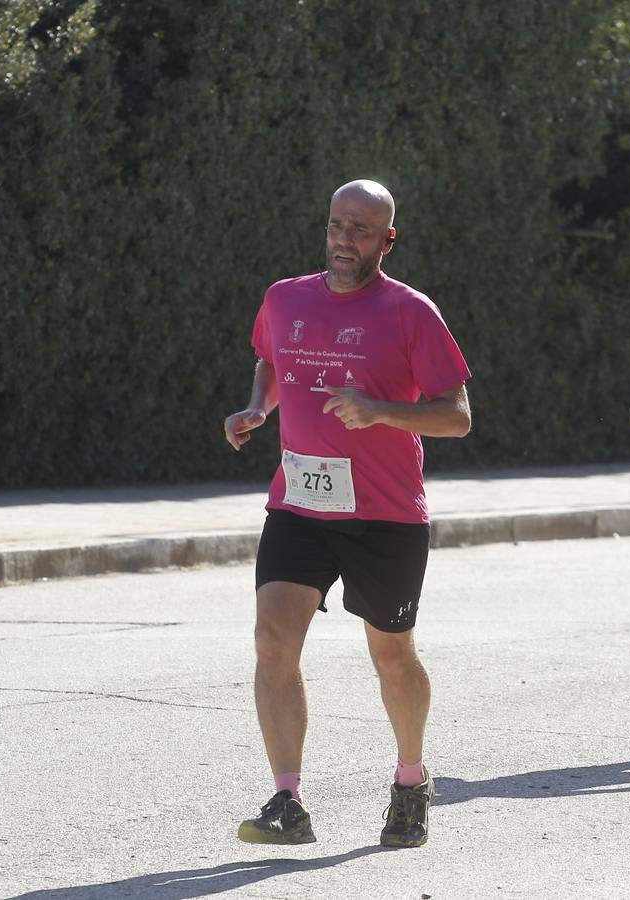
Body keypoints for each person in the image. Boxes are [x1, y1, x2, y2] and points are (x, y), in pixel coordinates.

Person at [222, 179, 472, 847]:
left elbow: (457, 415)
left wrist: (383, 410)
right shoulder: (284, 298)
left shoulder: (412, 312)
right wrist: (257, 407)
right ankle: (287, 798)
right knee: (272, 639)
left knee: (391, 656)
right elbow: (271, 362)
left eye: (361, 229)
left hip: (385, 515)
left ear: (387, 240)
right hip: (300, 503)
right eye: (338, 224)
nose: (344, 238)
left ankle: (411, 780)